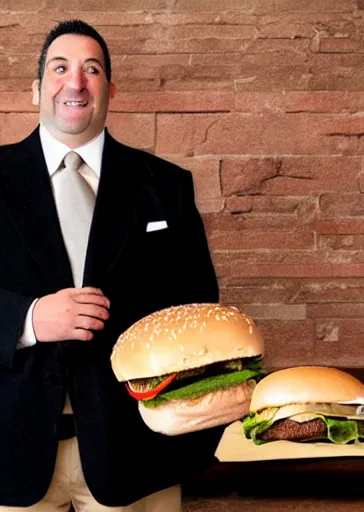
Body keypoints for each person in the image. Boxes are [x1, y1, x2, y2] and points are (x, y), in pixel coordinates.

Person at [0, 19, 222, 511]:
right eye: (60, 68)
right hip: (9, 453)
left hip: (138, 456)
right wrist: (30, 320)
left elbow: (200, 310)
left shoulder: (167, 186)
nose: (75, 82)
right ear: (37, 88)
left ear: (110, 89)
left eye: (91, 69)